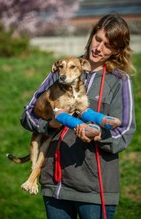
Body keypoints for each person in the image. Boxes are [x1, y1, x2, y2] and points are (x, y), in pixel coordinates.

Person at [20, 13, 136, 219]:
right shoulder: (63, 70)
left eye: (108, 45)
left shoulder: (119, 80)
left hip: (94, 190)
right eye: (98, 39)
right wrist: (50, 125)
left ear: (117, 50)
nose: (99, 48)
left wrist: (99, 134)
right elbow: (27, 114)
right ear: (92, 36)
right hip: (55, 185)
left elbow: (125, 132)